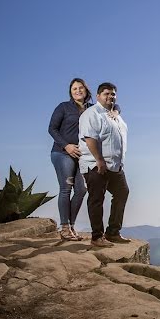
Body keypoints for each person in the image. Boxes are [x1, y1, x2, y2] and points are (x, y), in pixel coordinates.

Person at [79, 82, 131, 247]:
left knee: (122, 192)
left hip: (115, 166)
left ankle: (113, 232)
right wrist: (99, 160)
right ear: (98, 96)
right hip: (97, 165)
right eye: (106, 93)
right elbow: (90, 138)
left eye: (113, 94)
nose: (110, 96)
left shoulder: (114, 114)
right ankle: (97, 237)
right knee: (96, 199)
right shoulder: (91, 114)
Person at [47, 78, 93, 241]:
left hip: (81, 156)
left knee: (81, 190)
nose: (78, 91)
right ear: (70, 92)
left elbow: (113, 105)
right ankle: (65, 228)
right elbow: (52, 129)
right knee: (66, 188)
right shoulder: (63, 107)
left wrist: (115, 111)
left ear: (86, 90)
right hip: (62, 153)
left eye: (81, 88)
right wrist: (66, 145)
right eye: (74, 89)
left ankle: (71, 226)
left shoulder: (92, 109)